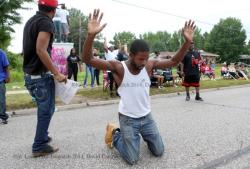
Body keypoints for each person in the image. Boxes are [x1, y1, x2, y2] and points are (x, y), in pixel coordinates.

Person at [82, 9, 195, 165]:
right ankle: (115, 134)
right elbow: (87, 59)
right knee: (132, 158)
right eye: (141, 59)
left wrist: (187, 42)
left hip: (146, 116)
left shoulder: (149, 65)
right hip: (128, 119)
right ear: (131, 56)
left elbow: (174, 61)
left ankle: (137, 137)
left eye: (146, 58)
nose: (144, 62)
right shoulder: (119, 67)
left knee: (159, 151)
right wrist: (91, 35)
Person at [22, 0, 67, 157]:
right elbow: (41, 50)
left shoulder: (30, 21)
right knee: (45, 111)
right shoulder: (46, 23)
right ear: (54, 10)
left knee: (47, 108)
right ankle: (39, 146)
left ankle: (42, 136)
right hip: (39, 77)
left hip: (31, 75)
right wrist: (56, 72)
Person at [0, 49, 10, 125]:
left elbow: (6, 66)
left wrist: (8, 76)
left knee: (1, 100)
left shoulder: (1, 53)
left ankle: (3, 117)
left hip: (0, 80)